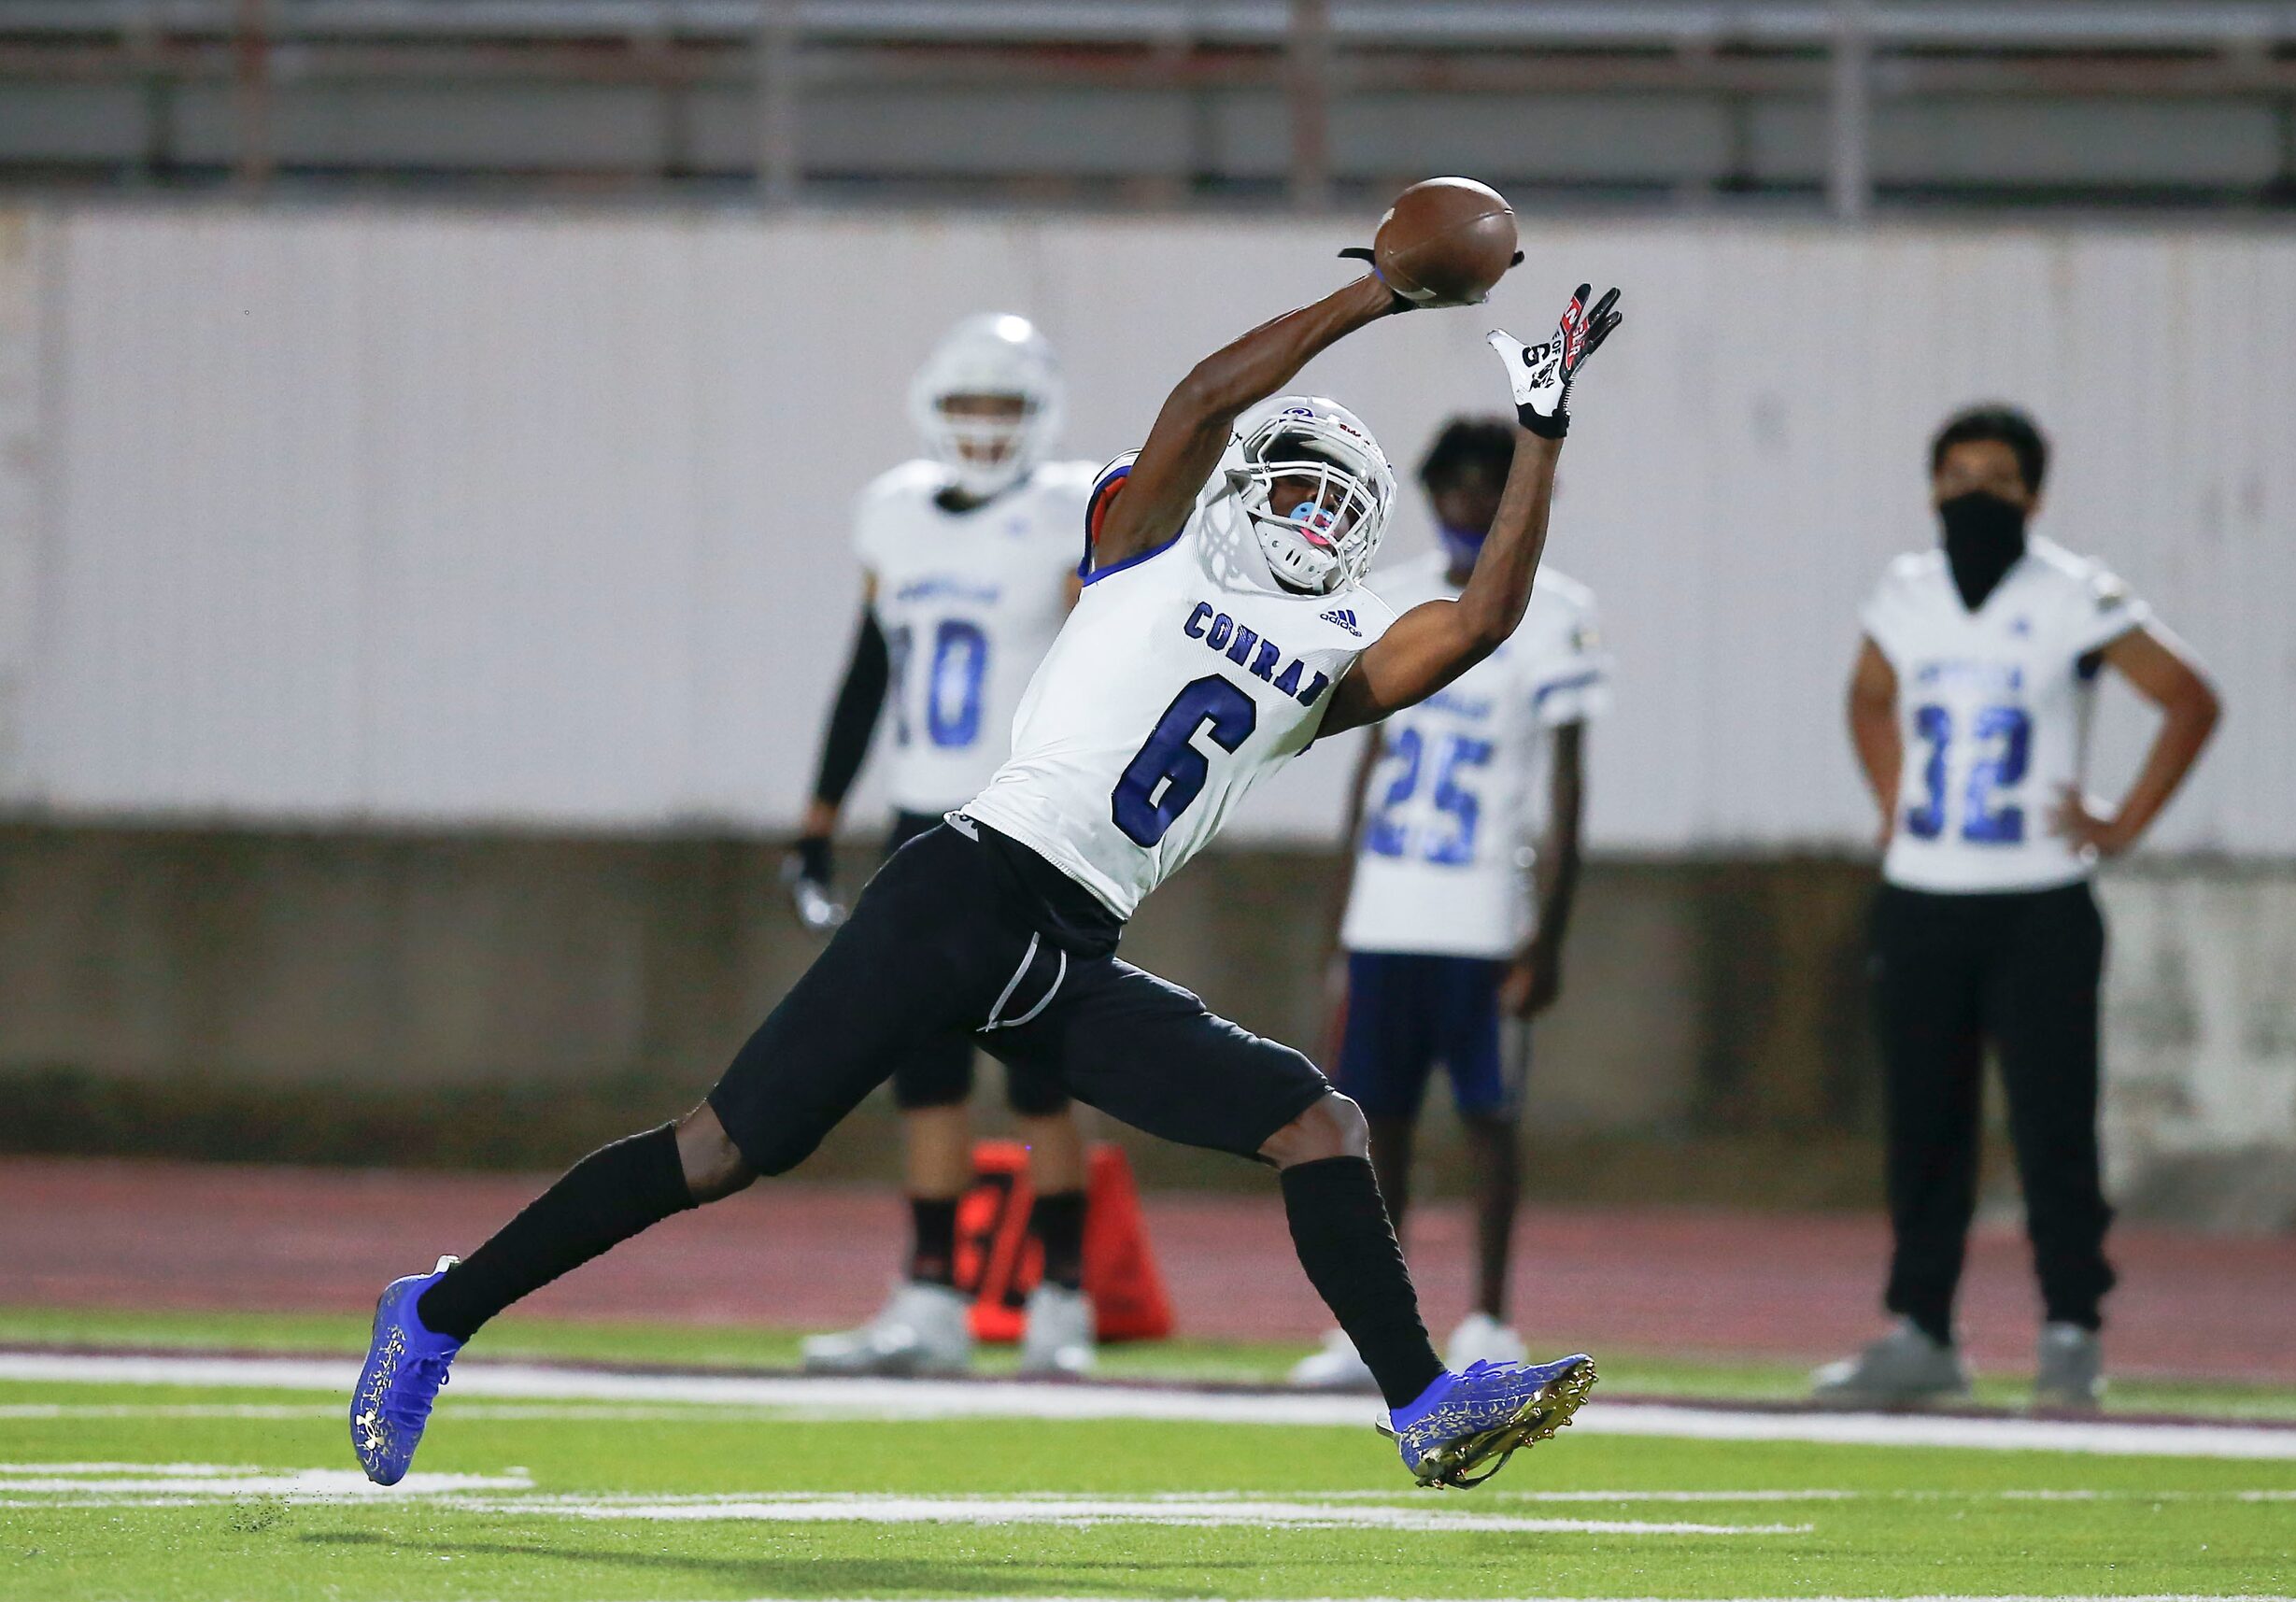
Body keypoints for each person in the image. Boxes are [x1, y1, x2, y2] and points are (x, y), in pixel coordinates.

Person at [349, 255, 1625, 1492]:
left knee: (1314, 1120)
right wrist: (1376, 296)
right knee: (721, 1150)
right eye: (1294, 488)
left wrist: (1539, 428)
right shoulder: (1144, 543)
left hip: (1067, 947)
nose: (1310, 518)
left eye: (1336, 507)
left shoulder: (1326, 660)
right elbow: (1199, 399)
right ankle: (438, 1312)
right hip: (959, 889)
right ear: (1242, 487)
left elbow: (1477, 622)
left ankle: (1420, 1404)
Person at [1817, 403, 2221, 1412]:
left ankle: (2070, 1328)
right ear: (1929, 489)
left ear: (2032, 496)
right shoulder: (1905, 590)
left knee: (2052, 1129)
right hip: (1922, 896)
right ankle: (1921, 1331)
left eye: (1995, 478)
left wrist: (2120, 821)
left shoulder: (2073, 592)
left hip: (2037, 901)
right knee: (1924, 1129)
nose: (1971, 495)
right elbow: (1865, 696)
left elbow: (2187, 697)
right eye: (1954, 475)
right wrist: (1890, 799)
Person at [782, 313, 1099, 1381]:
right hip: (918, 821)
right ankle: (931, 1299)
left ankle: (1062, 1301)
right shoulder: (893, 514)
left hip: (1026, 824)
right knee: (925, 1071)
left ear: (1039, 413)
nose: (984, 425)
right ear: (931, 405)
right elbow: (866, 671)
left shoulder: (1073, 514)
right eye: (967, 403)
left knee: (1040, 1069)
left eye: (1004, 405)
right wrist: (820, 814)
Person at [1291, 416, 1608, 1388]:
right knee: (1369, 1121)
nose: (1471, 503)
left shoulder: (1555, 610)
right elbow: (1370, 762)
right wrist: (1339, 913)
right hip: (1387, 908)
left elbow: (1564, 789)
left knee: (1487, 1120)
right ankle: (1378, 1323)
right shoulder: (1387, 596)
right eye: (1456, 487)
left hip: (1480, 911)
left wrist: (1544, 937)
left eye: (1490, 486)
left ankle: (1487, 1316)